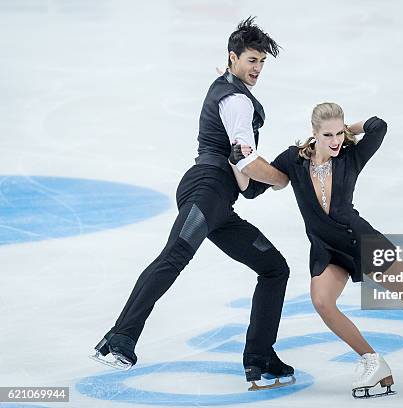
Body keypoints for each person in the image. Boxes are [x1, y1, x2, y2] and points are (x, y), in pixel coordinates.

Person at [229, 102, 403, 398]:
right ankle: (372, 361)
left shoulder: (351, 155)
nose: (335, 141)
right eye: (328, 135)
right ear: (314, 134)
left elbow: (378, 126)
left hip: (361, 241)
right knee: (322, 302)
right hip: (327, 249)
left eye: (339, 133)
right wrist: (239, 163)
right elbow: (252, 189)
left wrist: (350, 130)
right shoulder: (293, 161)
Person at [91, 17, 296, 390]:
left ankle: (260, 357)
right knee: (174, 256)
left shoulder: (228, 86)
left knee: (274, 268)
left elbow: (243, 175)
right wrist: (284, 179)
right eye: (252, 60)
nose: (258, 69)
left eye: (262, 62)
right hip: (206, 190)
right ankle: (120, 339)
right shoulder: (235, 101)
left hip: (218, 203)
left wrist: (262, 178)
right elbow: (247, 163)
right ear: (234, 57)